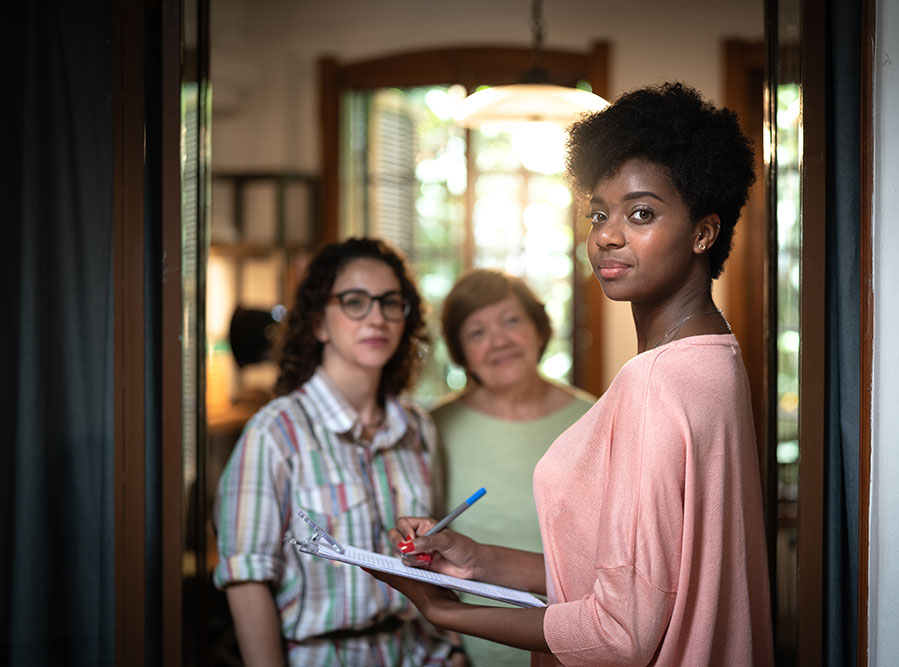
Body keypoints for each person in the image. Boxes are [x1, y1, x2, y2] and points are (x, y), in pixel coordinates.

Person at [370, 82, 774, 666]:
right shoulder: (716, 361)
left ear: (704, 232)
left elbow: (621, 632)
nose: (608, 234)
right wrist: (478, 560)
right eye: (600, 213)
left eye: (641, 213)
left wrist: (446, 610)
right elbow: (636, 583)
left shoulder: (656, 384)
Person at [213, 237, 457, 666]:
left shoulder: (419, 429)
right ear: (319, 323)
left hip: (419, 653)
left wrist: (453, 650)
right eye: (354, 302)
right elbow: (246, 580)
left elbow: (432, 562)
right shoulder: (274, 433)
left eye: (390, 302)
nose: (376, 317)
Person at [432, 269, 594, 666]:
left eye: (511, 321)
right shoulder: (434, 427)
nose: (499, 341)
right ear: (460, 351)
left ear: (539, 329)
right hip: (469, 647)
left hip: (574, 648)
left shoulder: (595, 418)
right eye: (477, 332)